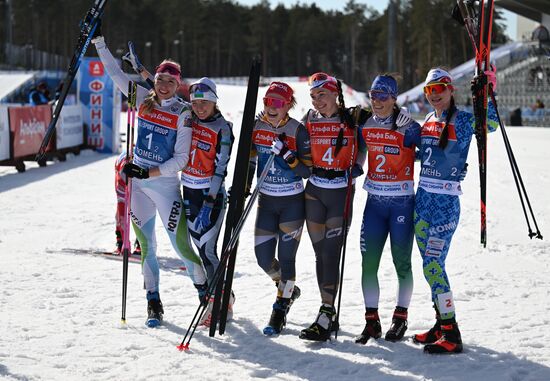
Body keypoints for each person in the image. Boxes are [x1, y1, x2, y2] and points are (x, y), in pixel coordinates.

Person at [92, 32, 208, 328]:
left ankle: (205, 297)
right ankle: (153, 302)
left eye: (171, 81)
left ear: (178, 84)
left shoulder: (183, 113)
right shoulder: (142, 100)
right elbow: (115, 73)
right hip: (138, 185)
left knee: (182, 247)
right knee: (146, 246)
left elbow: (180, 160)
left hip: (165, 186)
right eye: (160, 79)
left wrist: (149, 173)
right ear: (154, 81)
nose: (164, 85)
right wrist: (100, 44)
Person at [410, 68, 498, 354]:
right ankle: (439, 323)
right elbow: (426, 154)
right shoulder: (427, 120)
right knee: (428, 266)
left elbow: (492, 125)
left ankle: (451, 332)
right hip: (422, 201)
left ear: (451, 90)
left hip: (445, 205)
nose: (434, 95)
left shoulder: (463, 120)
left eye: (439, 89)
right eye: (429, 91)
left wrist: (488, 90)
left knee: (433, 264)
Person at [298, 72, 367, 341]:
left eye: (322, 95)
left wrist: (358, 166)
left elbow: (365, 143)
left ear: (334, 94)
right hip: (314, 191)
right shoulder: (309, 119)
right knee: (319, 255)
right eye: (313, 97)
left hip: (340, 193)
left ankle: (326, 312)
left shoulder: (353, 118)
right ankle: (327, 311)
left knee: (331, 253)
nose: (317, 101)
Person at [355, 75, 420, 344]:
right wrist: (353, 168)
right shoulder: (365, 123)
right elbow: (358, 153)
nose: (377, 101)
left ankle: (400, 319)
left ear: (394, 98)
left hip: (402, 202)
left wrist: (413, 128)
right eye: (373, 94)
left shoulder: (409, 126)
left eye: (384, 96)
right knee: (368, 264)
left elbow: (430, 150)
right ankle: (372, 322)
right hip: (374, 203)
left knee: (401, 263)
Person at [248, 81, 312, 335]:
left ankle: (280, 307)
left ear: (288, 105)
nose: (271, 107)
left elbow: (307, 170)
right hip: (266, 201)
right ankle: (287, 287)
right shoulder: (257, 127)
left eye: (278, 102)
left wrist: (288, 155)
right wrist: (242, 187)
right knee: (263, 258)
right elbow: (250, 160)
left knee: (287, 259)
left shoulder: (298, 130)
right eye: (267, 101)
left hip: (292, 203)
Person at [182, 77, 235, 326]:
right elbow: (162, 92)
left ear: (214, 102)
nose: (200, 107)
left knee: (209, 251)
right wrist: (141, 71)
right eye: (195, 102)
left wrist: (210, 200)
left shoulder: (223, 128)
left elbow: (221, 168)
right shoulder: (188, 118)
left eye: (205, 102)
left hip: (210, 195)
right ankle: (226, 295)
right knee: (199, 253)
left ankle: (217, 303)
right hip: (188, 191)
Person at [114, 151, 141, 257]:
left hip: (142, 177)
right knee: (121, 213)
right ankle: (120, 241)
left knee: (141, 211)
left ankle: (141, 243)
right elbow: (122, 213)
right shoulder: (120, 178)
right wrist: (125, 245)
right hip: (120, 170)